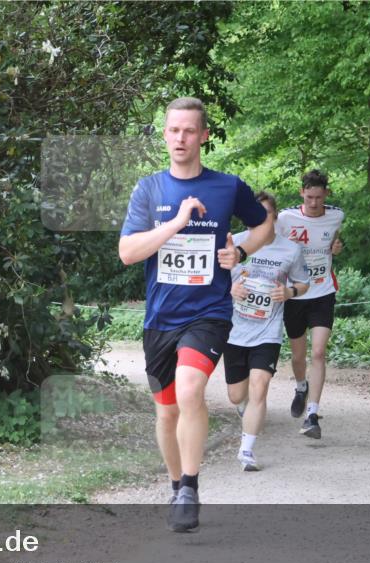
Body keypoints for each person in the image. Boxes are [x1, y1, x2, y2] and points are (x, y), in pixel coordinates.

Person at [119, 96, 274, 533]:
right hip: (160, 319)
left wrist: (240, 250)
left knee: (191, 391)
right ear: (165, 135)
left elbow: (266, 225)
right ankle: (176, 486)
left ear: (204, 136)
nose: (181, 138)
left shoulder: (227, 187)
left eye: (189, 130)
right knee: (167, 413)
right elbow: (128, 253)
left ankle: (190, 486)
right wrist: (176, 222)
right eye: (173, 130)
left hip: (209, 312)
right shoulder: (149, 189)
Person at [224, 191, 309, 471]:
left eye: (264, 214)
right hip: (235, 332)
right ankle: (244, 408)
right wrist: (229, 289)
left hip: (268, 332)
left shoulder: (290, 249)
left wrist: (289, 291)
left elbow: (303, 283)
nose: (257, 220)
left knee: (260, 387)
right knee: (237, 396)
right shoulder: (233, 243)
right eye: (253, 216)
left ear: (275, 216)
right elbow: (211, 280)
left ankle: (247, 451)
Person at [276, 170, 344, 439]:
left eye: (318, 197)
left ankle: (312, 415)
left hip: (323, 292)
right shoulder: (285, 218)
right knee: (298, 356)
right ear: (301, 193)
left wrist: (337, 247)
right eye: (309, 197)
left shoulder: (336, 215)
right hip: (294, 294)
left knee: (318, 353)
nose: (314, 203)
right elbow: (272, 243)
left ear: (326, 194)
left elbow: (334, 240)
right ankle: (301, 386)